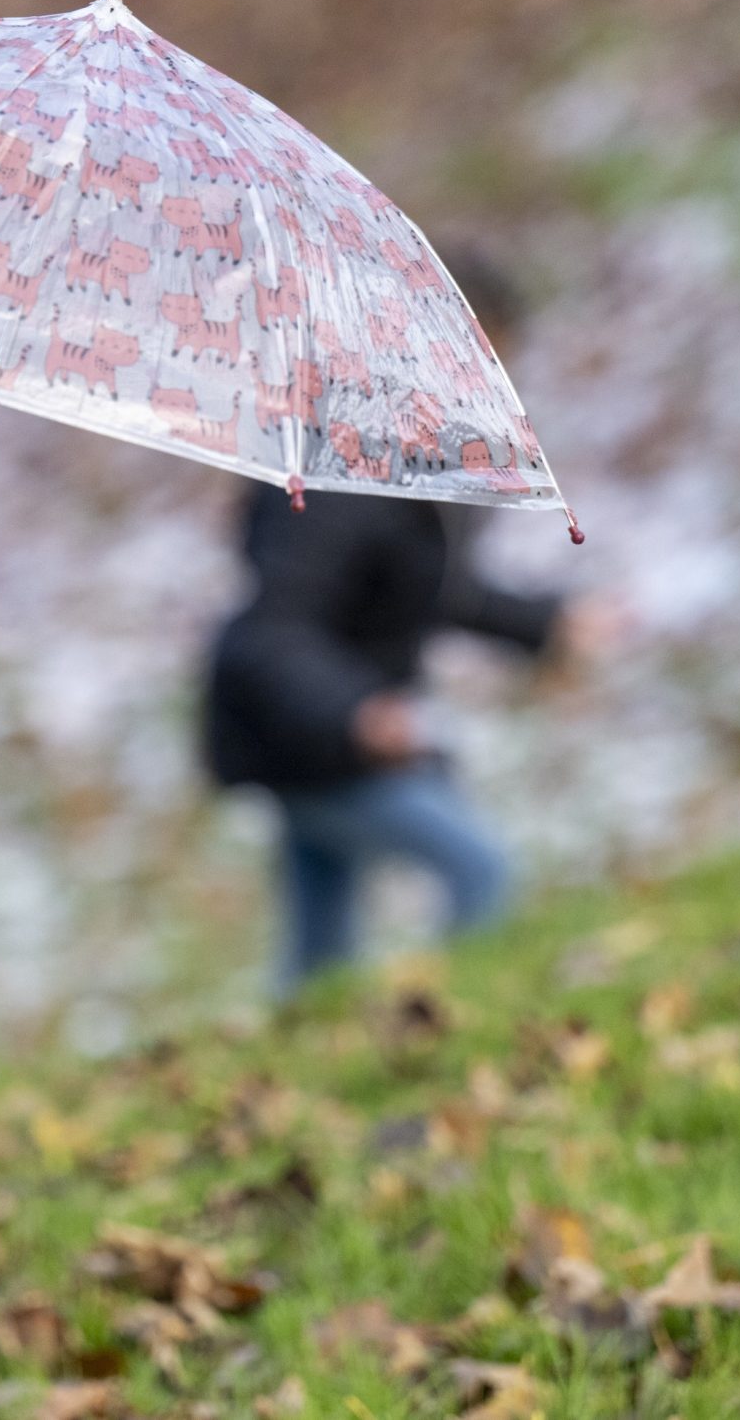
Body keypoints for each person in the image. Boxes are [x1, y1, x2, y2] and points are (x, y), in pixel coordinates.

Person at [202, 248, 616, 987]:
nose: (492, 385)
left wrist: (547, 626)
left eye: (501, 363)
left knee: (319, 956)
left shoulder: (407, 458)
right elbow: (272, 631)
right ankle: (455, 1027)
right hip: (305, 738)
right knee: (482, 870)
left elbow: (434, 592)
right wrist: (359, 711)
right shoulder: (336, 466)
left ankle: (294, 1064)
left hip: (329, 738)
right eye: (478, 358)